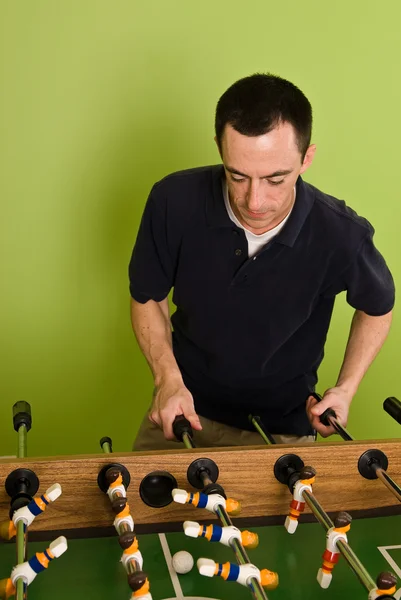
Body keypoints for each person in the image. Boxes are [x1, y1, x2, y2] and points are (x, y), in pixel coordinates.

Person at [128, 73, 395, 450]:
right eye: (237, 176)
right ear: (219, 148)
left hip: (286, 427)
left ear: (307, 158)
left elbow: (378, 307)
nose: (254, 202)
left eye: (275, 179)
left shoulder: (341, 233)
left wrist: (346, 389)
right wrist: (166, 380)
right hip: (182, 410)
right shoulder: (172, 201)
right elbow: (147, 297)